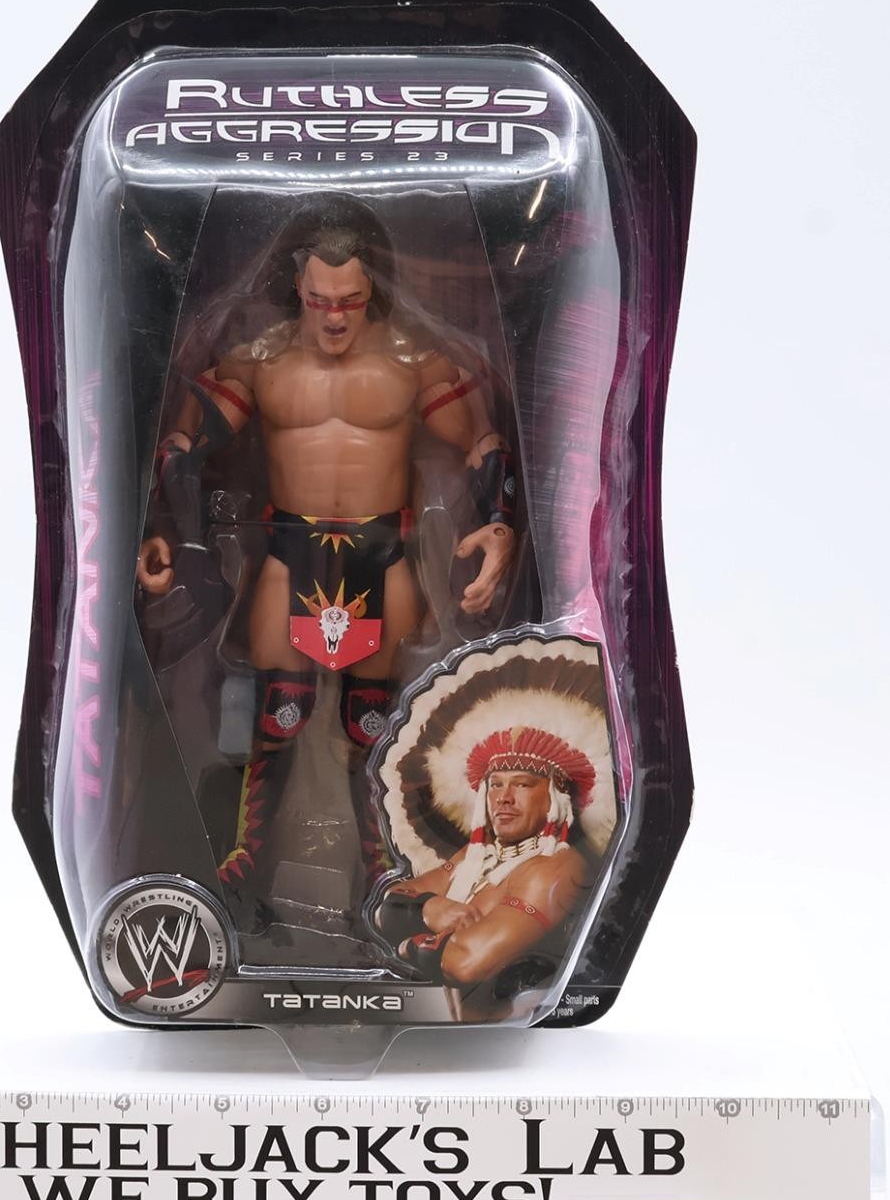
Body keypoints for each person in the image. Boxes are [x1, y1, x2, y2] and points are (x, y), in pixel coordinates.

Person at [136, 198, 518, 919]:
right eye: (319, 301)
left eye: (349, 301)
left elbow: (483, 446)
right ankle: (243, 872)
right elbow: (181, 449)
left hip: (383, 549)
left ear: (374, 289)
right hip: (289, 549)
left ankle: (387, 875)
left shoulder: (414, 361)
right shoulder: (257, 362)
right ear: (296, 288)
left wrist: (498, 528)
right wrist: (164, 529)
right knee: (276, 717)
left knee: (378, 723)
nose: (335, 318)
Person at [376, 725, 593, 988]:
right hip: (439, 1011)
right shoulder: (475, 856)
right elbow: (386, 905)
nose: (504, 798)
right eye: (496, 785)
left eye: (522, 784)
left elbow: (465, 963)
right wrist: (429, 908)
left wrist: (406, 944)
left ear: (554, 798)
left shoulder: (557, 866)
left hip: (522, 1014)